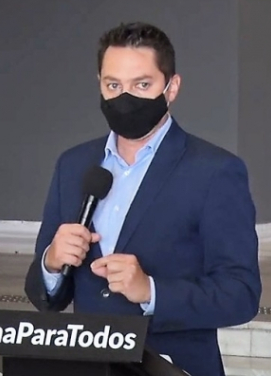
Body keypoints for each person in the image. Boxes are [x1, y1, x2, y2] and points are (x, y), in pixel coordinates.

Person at [24, 21, 262, 376]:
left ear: (172, 87)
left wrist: (151, 291)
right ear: (100, 85)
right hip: (88, 366)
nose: (125, 98)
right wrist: (52, 263)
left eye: (142, 84)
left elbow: (240, 295)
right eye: (114, 85)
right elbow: (43, 295)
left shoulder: (215, 172)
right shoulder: (73, 166)